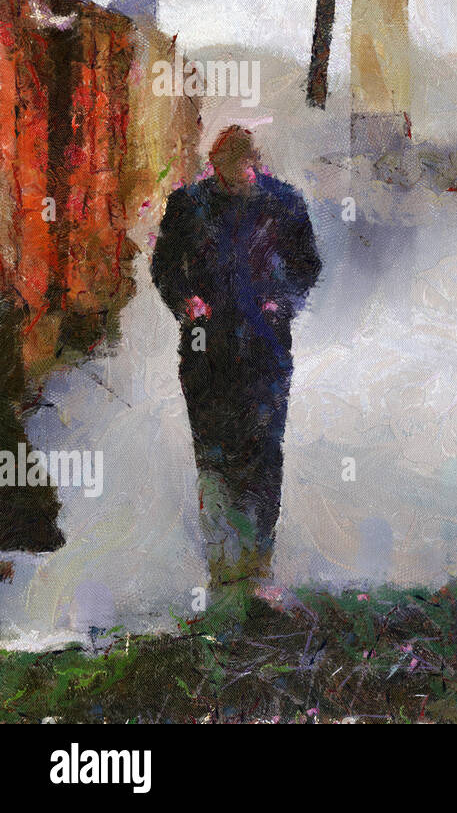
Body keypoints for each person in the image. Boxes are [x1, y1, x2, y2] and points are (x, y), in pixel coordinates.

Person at [151, 127, 321, 591]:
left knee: (264, 449)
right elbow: (163, 266)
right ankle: (223, 560)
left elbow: (308, 264)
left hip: (265, 350)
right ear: (216, 167)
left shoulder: (284, 204)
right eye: (228, 172)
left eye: (244, 169)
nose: (237, 178)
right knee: (213, 450)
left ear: (255, 163)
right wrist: (185, 302)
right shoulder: (188, 205)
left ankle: (260, 555)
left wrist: (280, 300)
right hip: (205, 350)